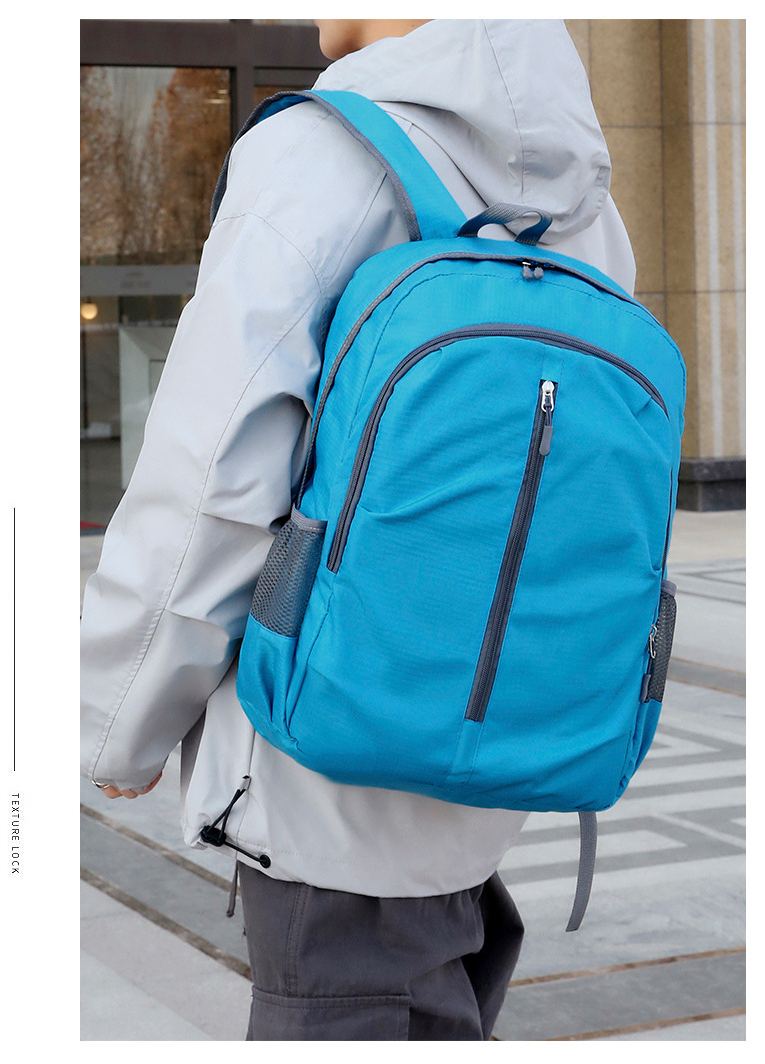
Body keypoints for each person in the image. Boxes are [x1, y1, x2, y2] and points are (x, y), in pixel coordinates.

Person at [81, 19, 636, 1040]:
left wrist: (118, 720)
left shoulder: (320, 154)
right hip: (495, 769)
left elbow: (213, 474)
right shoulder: (588, 204)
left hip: (325, 781)